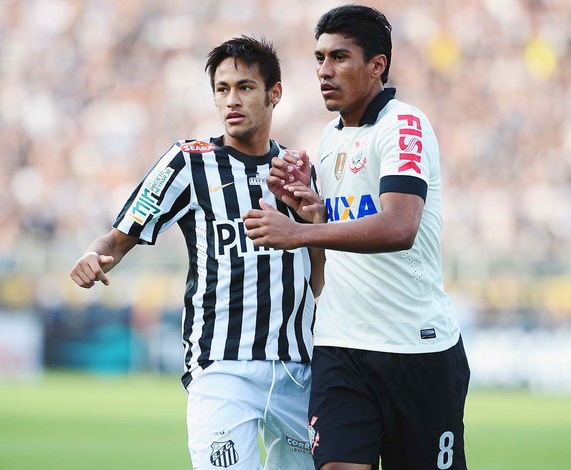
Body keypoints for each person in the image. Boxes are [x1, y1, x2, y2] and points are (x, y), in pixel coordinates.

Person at [69, 36, 319, 470]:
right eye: (222, 90)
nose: (231, 100)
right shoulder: (188, 162)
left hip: (300, 369)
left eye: (245, 87)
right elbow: (118, 236)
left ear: (274, 93)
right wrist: (94, 255)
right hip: (223, 370)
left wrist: (312, 223)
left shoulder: (298, 170)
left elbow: (319, 280)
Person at [243, 5, 470, 470]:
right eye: (319, 58)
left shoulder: (404, 126)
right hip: (340, 345)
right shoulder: (330, 138)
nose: (324, 71)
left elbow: (399, 226)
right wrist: (310, 213)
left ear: (377, 66)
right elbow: (341, 233)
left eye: (340, 57)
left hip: (415, 347)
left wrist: (297, 234)